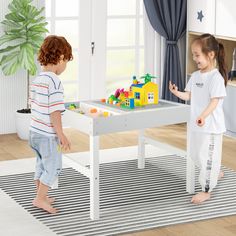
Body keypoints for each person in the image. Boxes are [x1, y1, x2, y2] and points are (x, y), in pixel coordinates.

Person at [169, 33, 227, 204]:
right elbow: (189, 95)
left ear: (210, 54)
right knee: (196, 154)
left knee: (207, 157)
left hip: (210, 126)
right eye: (193, 55)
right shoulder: (195, 76)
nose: (194, 58)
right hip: (197, 124)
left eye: (197, 55)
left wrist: (202, 115)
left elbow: (214, 101)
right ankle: (214, 172)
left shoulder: (215, 78)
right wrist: (176, 92)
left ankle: (206, 189)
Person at [29, 35, 73, 213]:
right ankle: (40, 199)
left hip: (34, 131)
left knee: (41, 163)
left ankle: (41, 194)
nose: (65, 66)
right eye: (66, 61)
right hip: (47, 135)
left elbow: (33, 104)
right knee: (53, 165)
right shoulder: (55, 81)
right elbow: (55, 112)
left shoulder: (38, 79)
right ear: (61, 58)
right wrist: (61, 134)